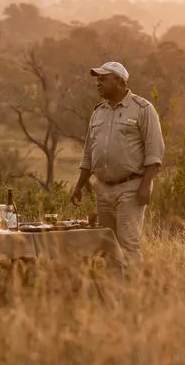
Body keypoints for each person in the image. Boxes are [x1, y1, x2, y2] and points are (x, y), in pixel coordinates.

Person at [71, 61, 165, 269]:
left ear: (120, 82)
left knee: (128, 247)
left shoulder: (143, 109)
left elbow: (154, 152)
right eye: (97, 79)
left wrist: (145, 186)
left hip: (131, 188)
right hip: (103, 189)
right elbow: (88, 153)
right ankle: (115, 295)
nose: (98, 83)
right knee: (107, 247)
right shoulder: (98, 112)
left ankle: (133, 295)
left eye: (103, 79)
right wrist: (79, 186)